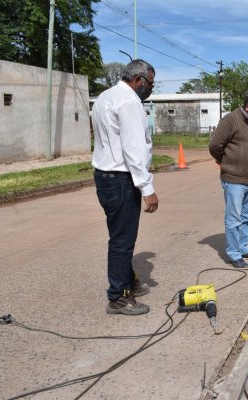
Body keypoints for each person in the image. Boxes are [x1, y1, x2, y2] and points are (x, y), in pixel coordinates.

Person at [91, 59, 158, 316]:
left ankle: (128, 282)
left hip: (104, 177)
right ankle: (118, 296)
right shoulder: (130, 102)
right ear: (139, 79)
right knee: (123, 240)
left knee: (120, 235)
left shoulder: (105, 97)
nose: (150, 88)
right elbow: (134, 149)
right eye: (150, 83)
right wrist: (147, 188)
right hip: (121, 178)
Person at [209, 92, 248, 269]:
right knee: (234, 218)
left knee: (247, 216)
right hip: (234, 179)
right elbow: (215, 146)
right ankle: (234, 254)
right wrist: (225, 161)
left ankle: (243, 248)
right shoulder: (230, 120)